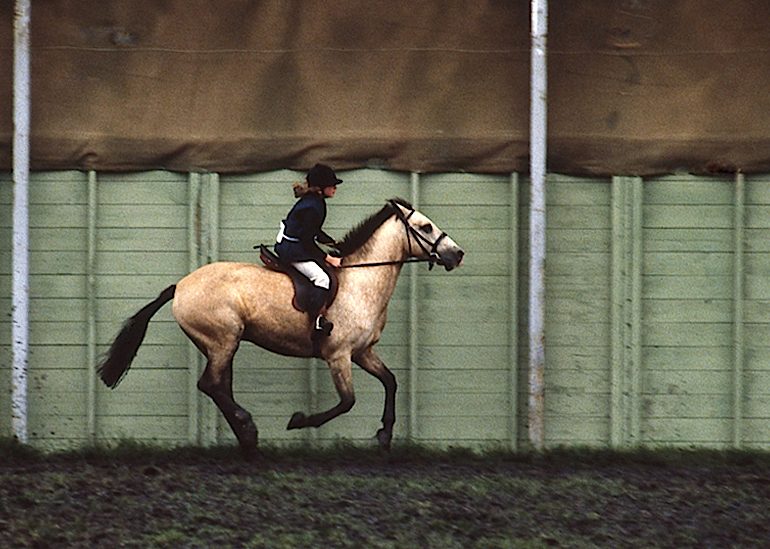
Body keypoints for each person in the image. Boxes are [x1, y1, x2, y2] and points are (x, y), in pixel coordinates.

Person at [274, 163, 343, 338]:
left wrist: (332, 242)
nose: (335, 188)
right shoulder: (314, 206)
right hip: (292, 249)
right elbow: (306, 240)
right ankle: (317, 322)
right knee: (322, 278)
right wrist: (328, 258)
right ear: (321, 187)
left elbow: (313, 231)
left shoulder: (315, 202)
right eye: (331, 185)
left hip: (295, 243)